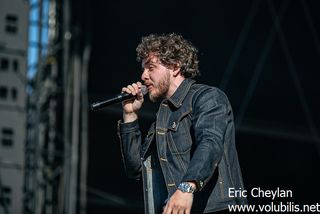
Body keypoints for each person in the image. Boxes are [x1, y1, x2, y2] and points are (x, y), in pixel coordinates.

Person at [117, 33, 247, 214]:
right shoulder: (161, 119)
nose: (143, 76)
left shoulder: (207, 97)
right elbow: (136, 170)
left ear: (175, 67)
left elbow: (210, 143)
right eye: (143, 69)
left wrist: (187, 187)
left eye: (151, 68)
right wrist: (129, 115)